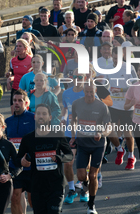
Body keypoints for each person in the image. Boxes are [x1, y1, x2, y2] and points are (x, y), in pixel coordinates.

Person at [17, 104, 73, 214]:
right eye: (38, 114)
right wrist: (21, 161)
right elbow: (18, 157)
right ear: (34, 117)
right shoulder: (28, 139)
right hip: (37, 187)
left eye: (44, 114)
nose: (41, 116)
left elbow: (69, 155)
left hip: (56, 186)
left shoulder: (57, 134)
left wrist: (60, 158)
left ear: (50, 117)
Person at [70, 84, 112, 214]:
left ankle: (91, 206)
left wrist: (102, 133)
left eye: (91, 92)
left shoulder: (102, 106)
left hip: (98, 145)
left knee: (93, 174)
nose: (89, 94)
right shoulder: (76, 103)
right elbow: (73, 120)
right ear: (83, 91)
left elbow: (109, 126)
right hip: (82, 143)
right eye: (87, 92)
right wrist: (73, 137)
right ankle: (86, 183)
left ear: (95, 91)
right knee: (82, 176)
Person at [104, 47, 138, 170]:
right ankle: (119, 149)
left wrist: (122, 90)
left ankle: (131, 156)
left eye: (117, 58)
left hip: (126, 106)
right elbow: (105, 85)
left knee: (127, 133)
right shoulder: (108, 68)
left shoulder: (129, 68)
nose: (115, 61)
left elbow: (136, 85)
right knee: (109, 131)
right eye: (114, 58)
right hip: (113, 104)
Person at [5, 89, 35, 214]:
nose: (16, 103)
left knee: (32, 200)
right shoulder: (7, 122)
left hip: (31, 167)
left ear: (26, 103)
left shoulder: (34, 119)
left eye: (20, 100)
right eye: (14, 101)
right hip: (15, 166)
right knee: (15, 197)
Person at [0, 113, 22, 214]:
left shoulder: (8, 144)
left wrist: (9, 176)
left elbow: (19, 166)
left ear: (3, 127)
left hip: (4, 185)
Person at [60, 69, 86, 204]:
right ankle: (71, 189)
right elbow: (65, 108)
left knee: (84, 166)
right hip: (70, 133)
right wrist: (63, 118)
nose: (77, 78)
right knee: (68, 163)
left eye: (79, 76)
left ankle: (84, 189)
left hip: (85, 133)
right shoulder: (66, 93)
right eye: (74, 76)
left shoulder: (88, 92)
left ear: (84, 77)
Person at [7, 39, 32, 112]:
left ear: (26, 48)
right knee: (14, 112)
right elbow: (13, 73)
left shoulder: (31, 60)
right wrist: (9, 78)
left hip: (26, 90)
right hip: (15, 88)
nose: (17, 48)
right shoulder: (13, 60)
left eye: (20, 46)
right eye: (16, 46)